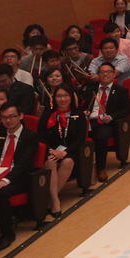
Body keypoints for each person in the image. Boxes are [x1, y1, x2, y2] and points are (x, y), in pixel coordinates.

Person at [0, 102, 39, 243]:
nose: (8, 120)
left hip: (18, 178)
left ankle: (7, 233)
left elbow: (24, 164)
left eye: (12, 116)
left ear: (21, 116)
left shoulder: (30, 136)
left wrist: (6, 180)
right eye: (4, 117)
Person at [40, 87, 88, 216]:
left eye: (66, 95)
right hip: (51, 151)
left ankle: (51, 198)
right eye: (59, 96)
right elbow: (41, 137)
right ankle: (55, 200)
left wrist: (65, 152)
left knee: (68, 162)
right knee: (50, 162)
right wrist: (51, 150)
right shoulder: (47, 115)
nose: (63, 99)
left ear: (71, 97)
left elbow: (80, 139)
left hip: (71, 151)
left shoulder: (79, 115)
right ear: (54, 98)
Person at [84, 64, 130, 183]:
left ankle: (101, 168)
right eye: (102, 72)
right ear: (98, 75)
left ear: (114, 74)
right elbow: (83, 105)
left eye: (109, 71)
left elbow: (126, 110)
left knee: (101, 135)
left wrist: (111, 117)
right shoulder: (91, 89)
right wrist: (85, 111)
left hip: (107, 123)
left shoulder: (121, 90)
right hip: (89, 120)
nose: (105, 74)